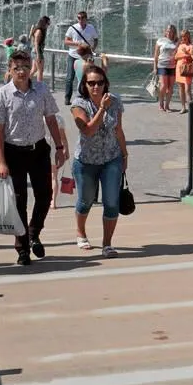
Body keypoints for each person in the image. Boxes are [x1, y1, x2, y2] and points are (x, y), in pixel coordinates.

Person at [0, 50, 68, 266]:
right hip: (13, 152)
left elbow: (51, 119)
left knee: (45, 195)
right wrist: (0, 161)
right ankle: (22, 248)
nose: (22, 72)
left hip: (38, 149)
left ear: (31, 67)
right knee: (18, 201)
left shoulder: (41, 90)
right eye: (17, 68)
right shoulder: (2, 95)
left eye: (25, 67)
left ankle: (34, 233)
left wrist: (60, 147)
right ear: (10, 69)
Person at [69, 64, 128, 257]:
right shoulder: (79, 104)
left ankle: (107, 243)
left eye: (100, 83)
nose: (96, 87)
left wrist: (125, 154)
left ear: (106, 84)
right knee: (85, 200)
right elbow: (87, 129)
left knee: (111, 202)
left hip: (111, 158)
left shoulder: (116, 101)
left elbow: (118, 129)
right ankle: (80, 232)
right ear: (84, 85)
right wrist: (102, 109)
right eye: (91, 83)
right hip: (86, 161)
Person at [62, 10, 98, 105]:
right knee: (70, 77)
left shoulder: (91, 28)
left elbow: (96, 39)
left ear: (86, 19)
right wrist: (77, 43)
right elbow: (66, 41)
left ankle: (87, 96)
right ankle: (67, 97)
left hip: (87, 56)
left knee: (88, 77)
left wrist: (92, 49)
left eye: (82, 18)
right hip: (73, 55)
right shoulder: (72, 28)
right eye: (78, 18)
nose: (80, 20)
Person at [152, 24, 178, 112]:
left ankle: (167, 106)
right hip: (162, 65)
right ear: (166, 31)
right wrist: (155, 67)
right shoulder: (160, 41)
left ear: (174, 32)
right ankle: (161, 104)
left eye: (171, 31)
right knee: (163, 86)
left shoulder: (176, 42)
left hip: (173, 66)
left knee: (170, 87)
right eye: (168, 31)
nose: (169, 32)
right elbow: (155, 56)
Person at [173, 29, 193, 114]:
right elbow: (175, 57)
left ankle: (190, 107)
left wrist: (185, 54)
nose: (183, 38)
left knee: (187, 90)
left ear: (188, 36)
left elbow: (192, 58)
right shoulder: (179, 45)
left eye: (185, 36)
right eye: (182, 36)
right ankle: (183, 107)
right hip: (179, 68)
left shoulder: (191, 46)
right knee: (181, 88)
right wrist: (185, 54)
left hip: (187, 69)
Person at [30, 16, 50, 82]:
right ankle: (40, 86)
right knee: (40, 70)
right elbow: (36, 43)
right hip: (37, 52)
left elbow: (31, 37)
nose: (48, 25)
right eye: (48, 23)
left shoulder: (39, 30)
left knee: (34, 70)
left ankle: (25, 82)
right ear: (44, 23)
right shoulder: (39, 31)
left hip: (35, 52)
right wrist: (38, 55)